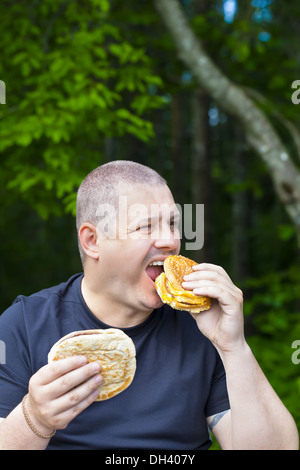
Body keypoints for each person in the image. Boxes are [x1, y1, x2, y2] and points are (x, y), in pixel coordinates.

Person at [0, 160, 298, 450]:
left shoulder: (202, 326)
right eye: (146, 227)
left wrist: (233, 346)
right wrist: (35, 419)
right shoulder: (24, 325)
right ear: (92, 240)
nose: (170, 240)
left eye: (172, 224)